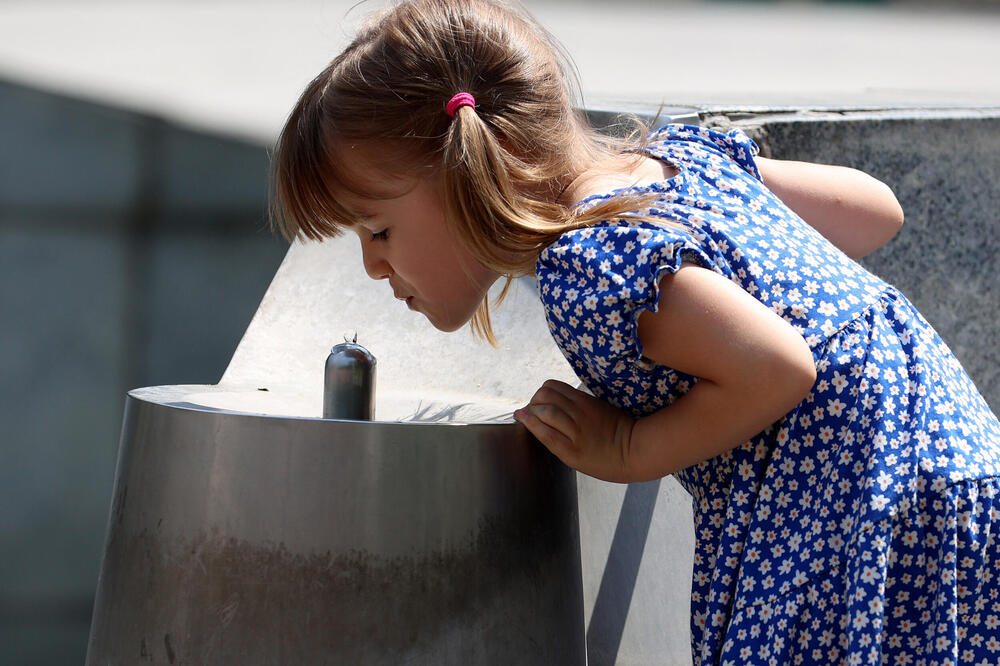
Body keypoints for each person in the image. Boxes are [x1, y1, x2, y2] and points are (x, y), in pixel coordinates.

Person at [270, 0, 1000, 663]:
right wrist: (762, 249)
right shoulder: (682, 164)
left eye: (379, 231)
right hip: (954, 467)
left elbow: (779, 367)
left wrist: (628, 447)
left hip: (859, 522)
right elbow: (876, 213)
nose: (371, 267)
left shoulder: (588, 273)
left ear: (469, 171)